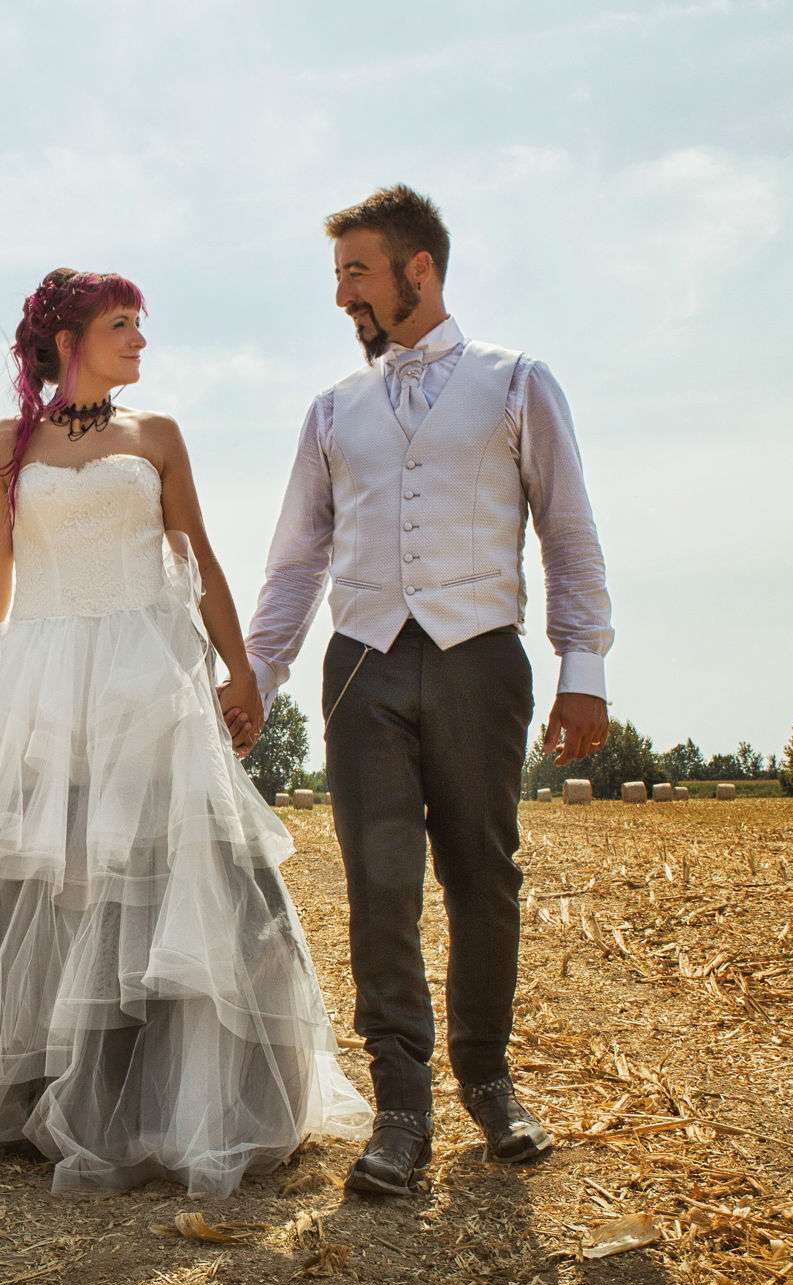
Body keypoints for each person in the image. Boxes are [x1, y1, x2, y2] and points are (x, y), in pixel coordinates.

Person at [0, 268, 370, 1198]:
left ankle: (183, 1099)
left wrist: (241, 670)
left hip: (151, 675)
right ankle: (32, 1097)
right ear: (68, 339)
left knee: (174, 871)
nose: (140, 339)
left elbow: (205, 563)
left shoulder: (158, 437)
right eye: (121, 323)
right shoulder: (2, 446)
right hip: (44, 679)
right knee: (42, 881)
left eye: (142, 324)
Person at [226, 185, 614, 1197]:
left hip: (479, 658)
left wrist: (584, 667)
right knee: (379, 886)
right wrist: (255, 680)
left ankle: (487, 1079)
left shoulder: (517, 384)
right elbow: (293, 565)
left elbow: (565, 533)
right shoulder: (330, 412)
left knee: (483, 876)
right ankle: (401, 1108)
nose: (341, 295)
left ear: (417, 269)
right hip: (360, 666)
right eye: (338, 275)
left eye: (355, 271)